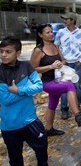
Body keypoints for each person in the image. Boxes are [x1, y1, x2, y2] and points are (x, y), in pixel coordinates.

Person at [30, 24, 81, 136]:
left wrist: (61, 63)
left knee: (52, 103)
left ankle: (48, 128)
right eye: (47, 32)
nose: (51, 34)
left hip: (58, 79)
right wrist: (50, 67)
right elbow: (33, 69)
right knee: (69, 86)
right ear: (40, 34)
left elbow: (63, 60)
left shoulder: (55, 46)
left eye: (51, 31)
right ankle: (77, 114)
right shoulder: (38, 50)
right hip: (47, 83)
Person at [0, 36, 48, 165]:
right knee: (15, 160)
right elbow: (6, 99)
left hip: (30, 121)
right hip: (10, 125)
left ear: (18, 53)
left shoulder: (26, 66)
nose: (3, 55)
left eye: (8, 52)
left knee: (42, 153)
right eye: (1, 51)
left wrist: (18, 90)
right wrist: (27, 89)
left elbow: (39, 86)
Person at [54, 12, 81, 120]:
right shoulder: (60, 32)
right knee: (64, 86)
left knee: (76, 86)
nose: (64, 21)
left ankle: (77, 108)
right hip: (64, 64)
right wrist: (60, 60)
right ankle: (64, 109)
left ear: (73, 20)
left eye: (66, 19)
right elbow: (56, 46)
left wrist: (80, 60)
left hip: (76, 64)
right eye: (64, 19)